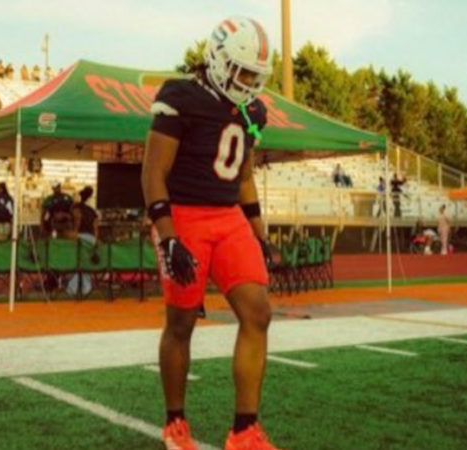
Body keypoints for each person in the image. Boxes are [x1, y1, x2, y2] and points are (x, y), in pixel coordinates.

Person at [142, 17, 279, 450]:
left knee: (258, 312)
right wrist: (168, 236)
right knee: (181, 323)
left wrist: (259, 231)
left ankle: (244, 430)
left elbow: (244, 178)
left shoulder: (253, 111)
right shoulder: (180, 96)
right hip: (184, 216)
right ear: (218, 60)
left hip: (228, 217)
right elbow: (153, 173)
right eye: (243, 71)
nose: (249, 82)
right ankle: (175, 422)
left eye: (256, 74)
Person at [68, 186, 99, 296]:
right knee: (84, 263)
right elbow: (96, 228)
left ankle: (73, 288)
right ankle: (85, 287)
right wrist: (95, 241)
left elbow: (77, 220)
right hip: (91, 239)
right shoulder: (92, 211)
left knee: (79, 263)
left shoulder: (75, 207)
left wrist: (74, 234)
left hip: (80, 237)